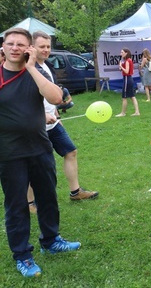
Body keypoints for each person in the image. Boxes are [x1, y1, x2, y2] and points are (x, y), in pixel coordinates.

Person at [0, 28, 81, 278]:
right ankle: (23, 255)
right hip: (9, 153)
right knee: (17, 206)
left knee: (47, 197)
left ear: (29, 48)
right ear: (3, 47)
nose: (15, 48)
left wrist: (32, 67)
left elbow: (57, 98)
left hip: (39, 147)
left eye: (20, 44)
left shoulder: (36, 72)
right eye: (10, 43)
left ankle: (51, 240)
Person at [26, 31, 98, 213]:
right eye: (41, 46)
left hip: (53, 123)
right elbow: (22, 100)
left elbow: (50, 94)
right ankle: (29, 203)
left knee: (70, 151)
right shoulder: (28, 69)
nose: (46, 50)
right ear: (32, 47)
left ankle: (76, 192)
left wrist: (56, 112)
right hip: (34, 126)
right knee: (35, 165)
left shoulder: (47, 65)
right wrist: (41, 115)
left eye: (48, 46)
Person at [116, 48, 140, 117]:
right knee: (132, 96)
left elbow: (126, 71)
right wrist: (121, 67)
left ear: (126, 53)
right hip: (129, 79)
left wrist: (121, 66)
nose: (121, 54)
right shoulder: (128, 61)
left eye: (122, 52)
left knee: (124, 97)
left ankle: (123, 113)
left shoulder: (127, 61)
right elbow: (125, 70)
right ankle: (137, 112)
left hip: (127, 79)